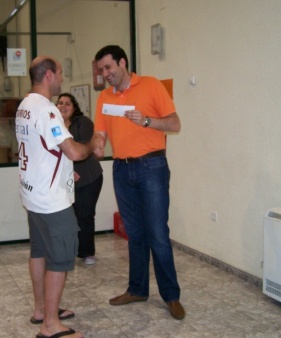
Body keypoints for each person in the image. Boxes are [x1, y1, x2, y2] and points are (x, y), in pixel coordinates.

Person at [93, 45, 186, 320]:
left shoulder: (151, 85)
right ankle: (137, 289)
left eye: (108, 68)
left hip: (152, 166)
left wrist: (146, 120)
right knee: (134, 234)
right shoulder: (103, 98)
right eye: (101, 70)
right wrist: (98, 145)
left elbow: (175, 124)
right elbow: (101, 132)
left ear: (123, 63)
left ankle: (171, 296)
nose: (105, 74)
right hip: (121, 169)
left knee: (157, 234)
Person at [15, 56, 103, 338]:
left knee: (39, 250)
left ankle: (41, 309)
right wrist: (93, 143)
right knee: (61, 257)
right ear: (49, 75)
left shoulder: (24, 106)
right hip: (51, 200)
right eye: (61, 73)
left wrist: (66, 171)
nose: (62, 78)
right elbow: (75, 152)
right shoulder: (47, 111)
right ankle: (50, 324)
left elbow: (43, 150)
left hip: (32, 194)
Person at [56, 93, 103, 265]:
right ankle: (72, 249)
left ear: (74, 107)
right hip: (66, 178)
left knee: (85, 215)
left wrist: (71, 169)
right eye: (60, 103)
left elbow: (82, 149)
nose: (63, 106)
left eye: (67, 103)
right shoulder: (54, 124)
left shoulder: (83, 123)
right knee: (69, 216)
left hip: (89, 176)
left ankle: (87, 252)